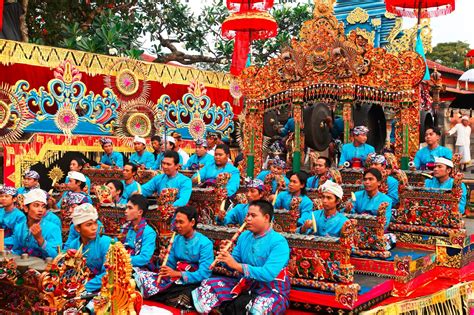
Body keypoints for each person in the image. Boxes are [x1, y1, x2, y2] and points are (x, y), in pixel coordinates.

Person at [192, 200, 291, 315]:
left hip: (270, 288)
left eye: (253, 216)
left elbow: (268, 274)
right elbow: (232, 265)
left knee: (259, 307)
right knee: (208, 285)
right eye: (247, 215)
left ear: (266, 217)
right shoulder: (244, 236)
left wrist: (236, 265)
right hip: (246, 283)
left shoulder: (279, 242)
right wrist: (226, 257)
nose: (247, 219)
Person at [141, 206, 214, 310]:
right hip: (176, 278)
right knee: (145, 280)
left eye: (181, 222)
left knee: (186, 296)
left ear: (192, 222)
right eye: (176, 222)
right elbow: (169, 265)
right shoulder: (176, 239)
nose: (178, 226)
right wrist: (162, 261)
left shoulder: (205, 243)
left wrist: (178, 274)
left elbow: (204, 273)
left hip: (193, 281)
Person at [65, 203, 111, 293]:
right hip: (79, 286)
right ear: (78, 228)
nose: (94, 228)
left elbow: (108, 274)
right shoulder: (73, 245)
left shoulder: (105, 242)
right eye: (89, 225)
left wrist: (85, 287)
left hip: (102, 286)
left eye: (95, 223)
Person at [12, 189, 62, 258]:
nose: (40, 210)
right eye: (36, 205)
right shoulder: (19, 227)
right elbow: (16, 250)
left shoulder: (53, 228)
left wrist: (40, 240)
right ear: (26, 208)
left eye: (43, 206)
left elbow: (57, 256)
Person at [120, 194, 157, 268]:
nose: (126, 211)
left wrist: (122, 260)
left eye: (130, 208)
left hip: (139, 268)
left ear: (140, 212)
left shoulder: (149, 232)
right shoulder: (124, 228)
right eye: (126, 207)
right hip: (121, 264)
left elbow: (144, 258)